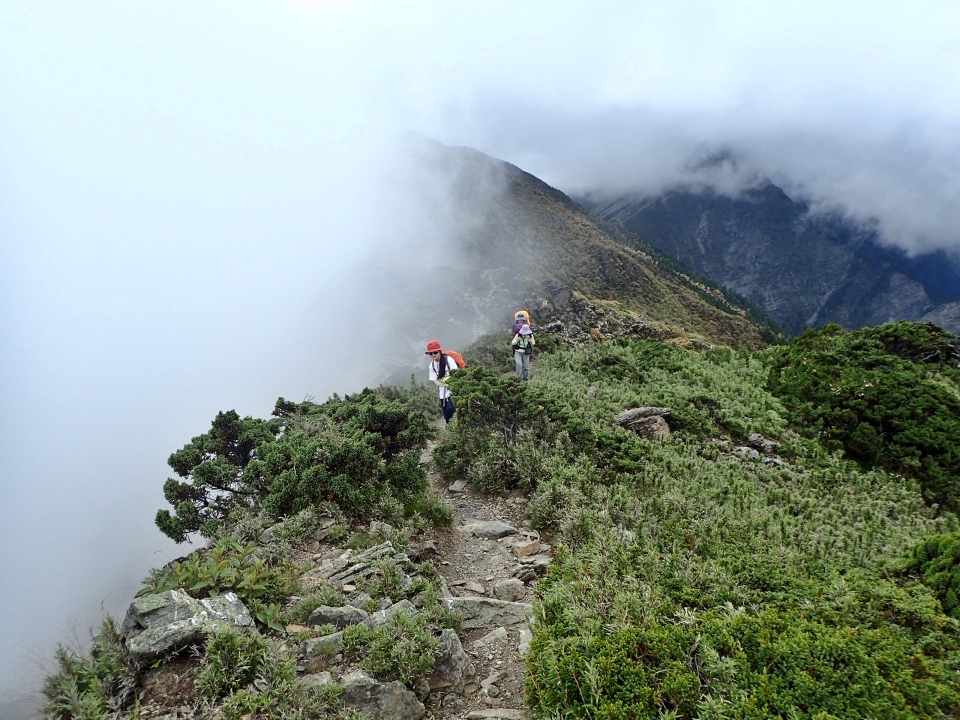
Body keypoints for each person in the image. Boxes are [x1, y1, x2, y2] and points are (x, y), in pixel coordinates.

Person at [425, 340, 458, 422]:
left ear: (439, 351)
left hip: (453, 391)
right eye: (430, 353)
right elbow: (436, 382)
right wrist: (447, 380)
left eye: (435, 352)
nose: (433, 355)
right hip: (442, 395)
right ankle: (452, 433)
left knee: (452, 411)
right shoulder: (432, 366)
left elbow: (457, 375)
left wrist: (442, 381)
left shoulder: (449, 360)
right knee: (447, 417)